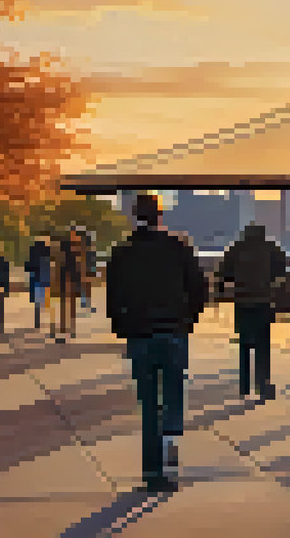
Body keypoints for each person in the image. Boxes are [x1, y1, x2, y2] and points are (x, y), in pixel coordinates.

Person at [106, 193, 209, 493]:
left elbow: (114, 298)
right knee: (174, 392)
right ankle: (171, 443)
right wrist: (188, 321)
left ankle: (152, 471)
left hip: (140, 335)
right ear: (159, 216)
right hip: (173, 332)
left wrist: (123, 328)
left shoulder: (122, 252)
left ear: (134, 216)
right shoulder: (179, 247)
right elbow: (199, 289)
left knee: (149, 402)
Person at [215, 223, 287, 400]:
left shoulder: (237, 248)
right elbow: (283, 267)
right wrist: (270, 280)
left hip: (242, 302)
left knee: (244, 344)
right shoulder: (270, 247)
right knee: (263, 345)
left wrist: (225, 288)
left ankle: (244, 385)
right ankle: (263, 384)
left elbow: (223, 272)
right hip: (263, 301)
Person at [27, 237, 52, 330]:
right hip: (44, 279)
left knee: (38, 303)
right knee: (46, 301)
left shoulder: (34, 253)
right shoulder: (47, 253)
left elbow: (29, 266)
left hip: (37, 279)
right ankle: (45, 321)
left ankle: (37, 321)